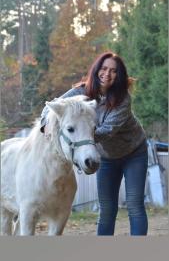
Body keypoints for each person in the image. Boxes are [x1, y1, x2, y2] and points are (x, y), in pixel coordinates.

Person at [40, 51, 148, 236]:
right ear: (97, 70)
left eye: (113, 71)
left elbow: (107, 131)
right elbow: (51, 107)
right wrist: (46, 126)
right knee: (106, 208)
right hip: (106, 157)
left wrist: (80, 138)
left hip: (134, 153)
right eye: (104, 68)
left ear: (119, 75)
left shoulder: (123, 99)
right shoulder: (80, 92)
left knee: (134, 204)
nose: (107, 74)